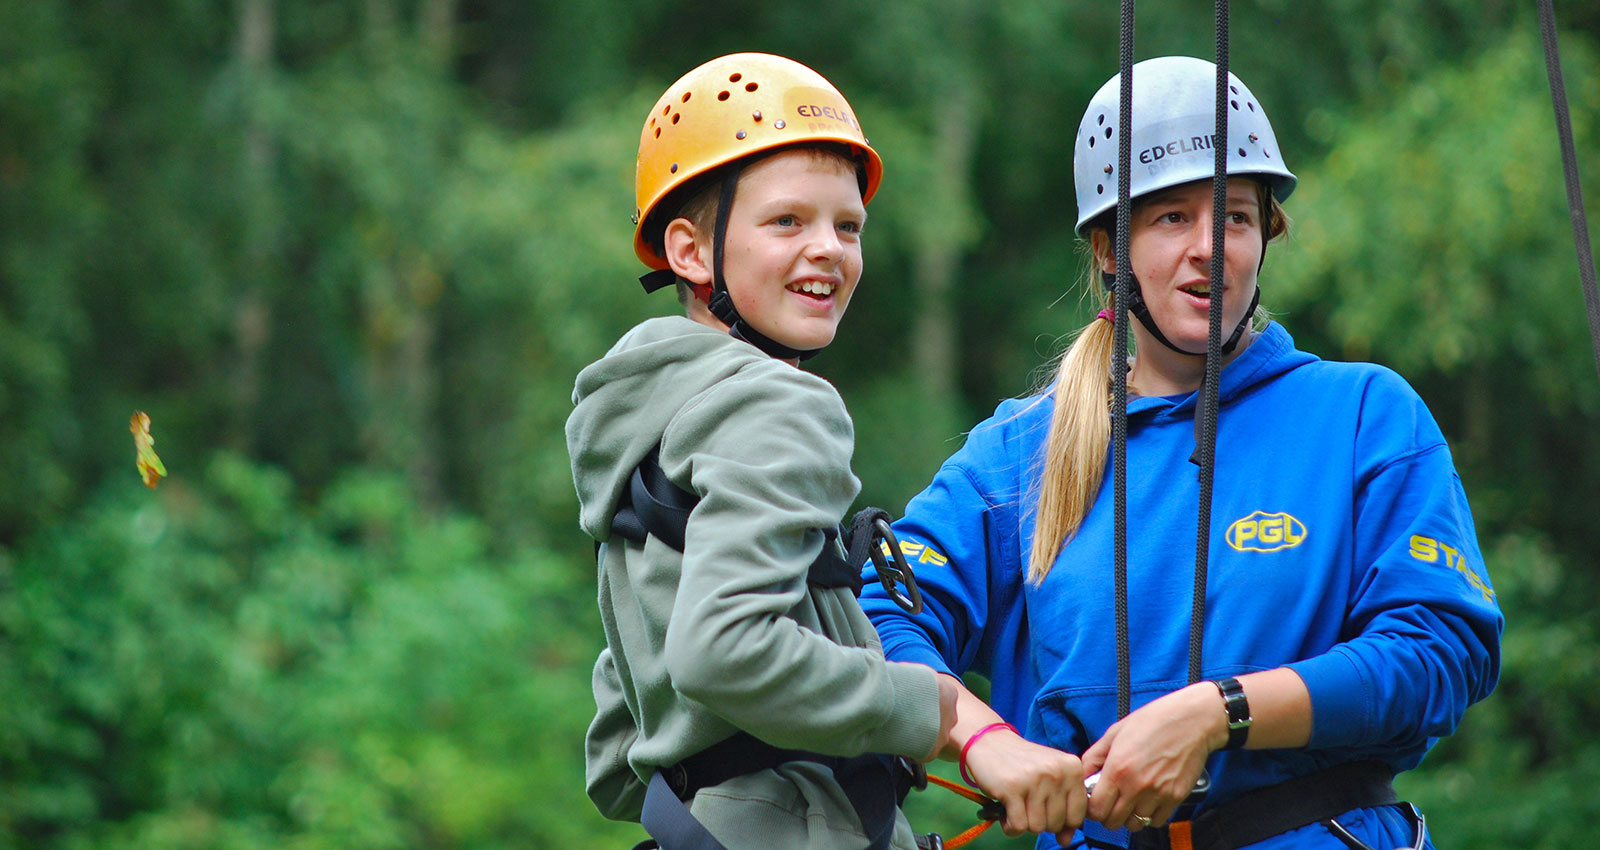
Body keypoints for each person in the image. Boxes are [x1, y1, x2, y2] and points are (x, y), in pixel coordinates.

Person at [860, 56, 1502, 850]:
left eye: (1233, 217)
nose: (1208, 248)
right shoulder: (1020, 453)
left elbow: (1440, 651)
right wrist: (987, 741)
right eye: (1170, 219)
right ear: (1107, 249)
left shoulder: (1362, 414)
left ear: (1265, 235)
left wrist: (1218, 712)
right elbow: (880, 611)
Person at [566, 53, 958, 850]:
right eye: (787, 221)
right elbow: (722, 652)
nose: (829, 250)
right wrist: (931, 710)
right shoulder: (783, 402)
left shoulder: (641, 420)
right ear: (689, 251)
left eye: (848, 226)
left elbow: (615, 748)